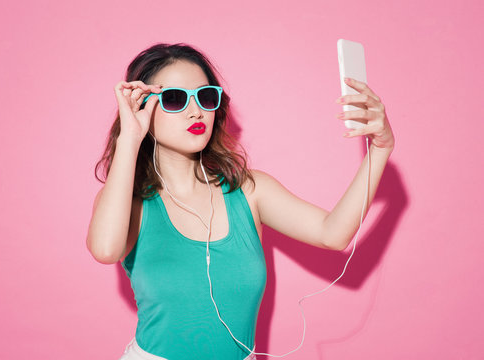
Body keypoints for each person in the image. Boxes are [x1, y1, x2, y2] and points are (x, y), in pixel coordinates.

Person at [86, 43, 395, 360]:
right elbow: (105, 250)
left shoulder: (250, 190)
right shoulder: (128, 202)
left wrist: (380, 149)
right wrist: (130, 137)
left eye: (205, 97)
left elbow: (333, 233)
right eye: (174, 99)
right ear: (142, 108)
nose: (196, 111)